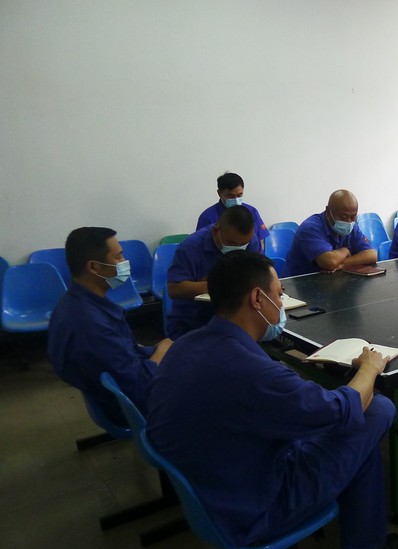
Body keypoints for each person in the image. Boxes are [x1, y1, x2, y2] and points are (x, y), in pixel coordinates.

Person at [147, 251, 398, 549]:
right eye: (279, 295)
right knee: (376, 409)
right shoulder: (253, 373)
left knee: (355, 436)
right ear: (258, 298)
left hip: (208, 485)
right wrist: (370, 367)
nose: (281, 304)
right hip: (253, 510)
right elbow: (343, 411)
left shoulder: (185, 344)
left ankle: (363, 545)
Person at [48, 227, 172, 422]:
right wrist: (161, 352)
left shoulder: (77, 302)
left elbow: (123, 354)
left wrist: (154, 352)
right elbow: (139, 386)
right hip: (134, 406)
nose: (124, 262)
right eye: (118, 257)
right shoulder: (89, 324)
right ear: (94, 267)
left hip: (125, 388)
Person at [167, 205, 258, 339]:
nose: (238, 247)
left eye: (242, 245)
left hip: (234, 319)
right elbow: (174, 289)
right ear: (216, 231)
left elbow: (256, 272)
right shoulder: (190, 247)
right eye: (232, 243)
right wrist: (217, 285)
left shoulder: (250, 240)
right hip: (192, 322)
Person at [286, 189, 377, 276]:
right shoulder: (310, 228)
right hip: (301, 283)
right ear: (328, 212)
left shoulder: (352, 226)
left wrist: (343, 264)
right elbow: (329, 262)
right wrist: (346, 251)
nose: (349, 222)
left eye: (353, 217)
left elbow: (372, 255)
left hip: (335, 279)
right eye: (343, 217)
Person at [196, 172, 270, 252]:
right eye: (231, 196)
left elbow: (260, 240)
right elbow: (201, 245)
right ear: (219, 193)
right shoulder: (207, 217)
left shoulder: (252, 212)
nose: (236, 199)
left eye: (239, 195)